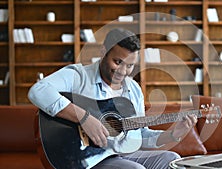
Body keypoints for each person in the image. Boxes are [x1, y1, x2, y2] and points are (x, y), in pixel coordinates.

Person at [28, 28, 197, 169]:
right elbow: (38, 91)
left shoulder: (133, 89)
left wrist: (172, 135)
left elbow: (141, 134)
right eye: (118, 62)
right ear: (104, 52)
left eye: (129, 66)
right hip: (90, 158)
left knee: (173, 160)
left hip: (124, 155)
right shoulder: (78, 76)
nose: (122, 71)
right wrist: (85, 118)